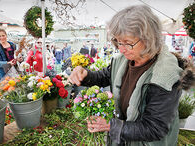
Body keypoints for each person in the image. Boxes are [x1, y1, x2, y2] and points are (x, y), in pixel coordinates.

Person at [68, 5, 195, 146]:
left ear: (149, 39)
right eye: (118, 42)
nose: (121, 49)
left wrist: (111, 126)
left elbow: (154, 128)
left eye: (128, 43)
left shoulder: (166, 76)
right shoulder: (123, 60)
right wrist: (85, 74)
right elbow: (105, 75)